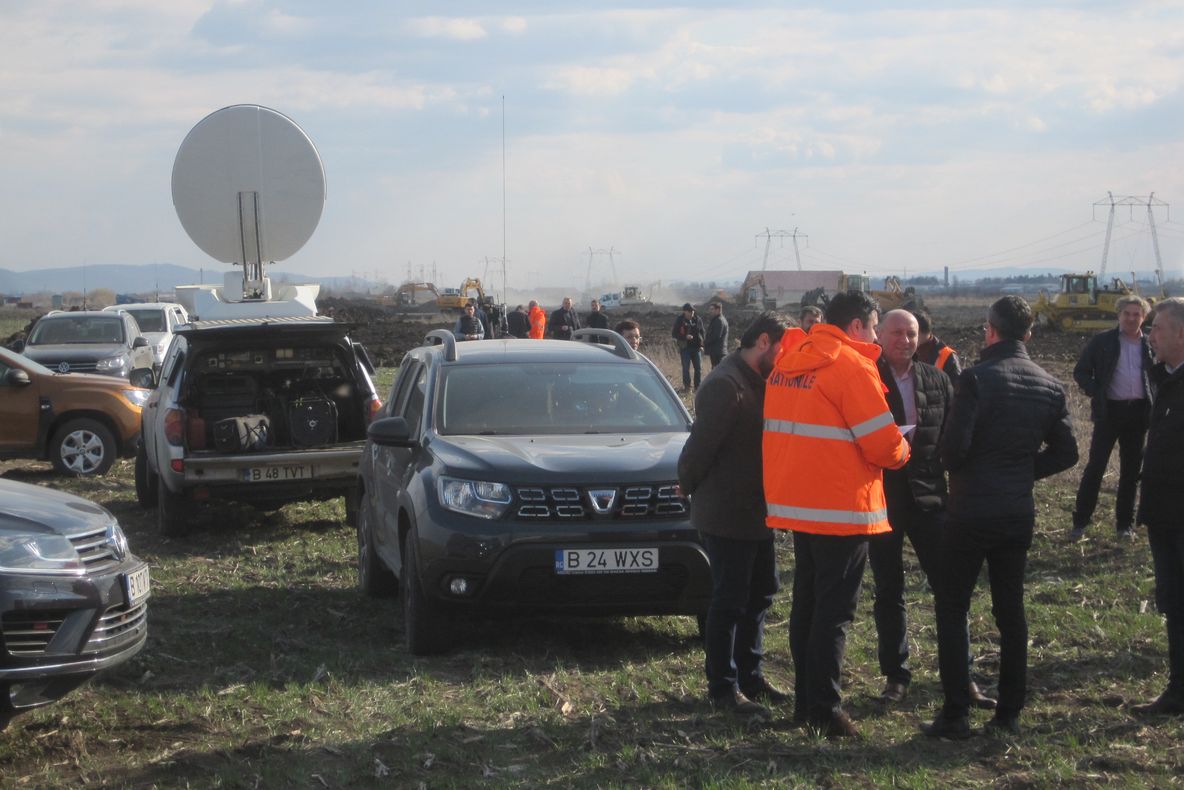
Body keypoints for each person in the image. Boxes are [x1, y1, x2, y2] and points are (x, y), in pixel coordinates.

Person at [923, 296, 1077, 739]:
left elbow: (953, 452)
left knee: (953, 606)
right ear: (1028, 333)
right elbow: (1067, 452)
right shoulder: (1050, 385)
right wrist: (1021, 471)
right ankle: (1009, 712)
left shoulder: (975, 379)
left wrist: (966, 465)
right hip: (1015, 512)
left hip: (970, 511)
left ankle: (955, 714)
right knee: (1011, 611)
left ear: (989, 330)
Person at [763, 290, 911, 738]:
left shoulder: (790, 362)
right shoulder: (850, 366)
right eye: (875, 326)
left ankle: (805, 704)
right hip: (842, 508)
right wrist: (905, 448)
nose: (878, 337)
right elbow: (883, 445)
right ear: (857, 326)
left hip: (799, 504)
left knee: (807, 607)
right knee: (834, 614)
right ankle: (826, 710)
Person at [869, 310, 996, 709]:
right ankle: (896, 676)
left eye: (911, 334)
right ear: (879, 335)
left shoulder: (937, 379)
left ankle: (961, 677)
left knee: (950, 588)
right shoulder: (866, 376)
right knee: (889, 590)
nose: (904, 340)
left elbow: (952, 437)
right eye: (896, 333)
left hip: (929, 498)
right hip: (881, 499)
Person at [679, 312, 793, 718]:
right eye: (783, 349)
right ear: (763, 342)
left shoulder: (761, 380)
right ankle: (723, 687)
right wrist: (686, 484)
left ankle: (751, 675)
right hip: (726, 513)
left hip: (757, 512)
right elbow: (699, 448)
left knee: (761, 591)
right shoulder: (726, 385)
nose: (787, 359)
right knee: (729, 600)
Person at [1132, 297, 1184, 716]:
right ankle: (1178, 689)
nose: (1149, 336)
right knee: (1174, 601)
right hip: (1164, 513)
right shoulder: (1166, 379)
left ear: (1182, 334)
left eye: (1157, 329)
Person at [1069, 295, 1153, 541]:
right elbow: (1081, 372)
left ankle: (1125, 525)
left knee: (1131, 472)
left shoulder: (1150, 344)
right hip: (1109, 413)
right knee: (1095, 468)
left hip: (1138, 414)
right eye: (1127, 313)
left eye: (1136, 314)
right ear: (1118, 315)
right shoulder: (1102, 341)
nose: (1131, 318)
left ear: (1144, 317)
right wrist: (1098, 392)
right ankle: (1080, 523)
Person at [913, 309, 962, 380]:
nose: (904, 338)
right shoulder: (905, 351)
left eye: (909, 332)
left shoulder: (948, 356)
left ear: (916, 331)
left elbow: (957, 385)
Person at [672, 303, 705, 391]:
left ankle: (697, 387)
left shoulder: (697, 319)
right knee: (686, 368)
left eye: (692, 311)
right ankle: (687, 387)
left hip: (696, 348)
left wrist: (702, 345)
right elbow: (674, 333)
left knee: (698, 368)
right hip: (685, 348)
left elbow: (702, 333)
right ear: (684, 311)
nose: (691, 313)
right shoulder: (680, 320)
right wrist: (685, 337)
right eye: (689, 311)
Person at [704, 302, 730, 367]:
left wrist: (705, 342)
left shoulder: (719, 320)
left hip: (717, 352)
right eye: (710, 309)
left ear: (718, 310)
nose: (710, 311)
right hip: (719, 351)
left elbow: (716, 336)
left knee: (716, 370)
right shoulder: (720, 319)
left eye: (712, 309)